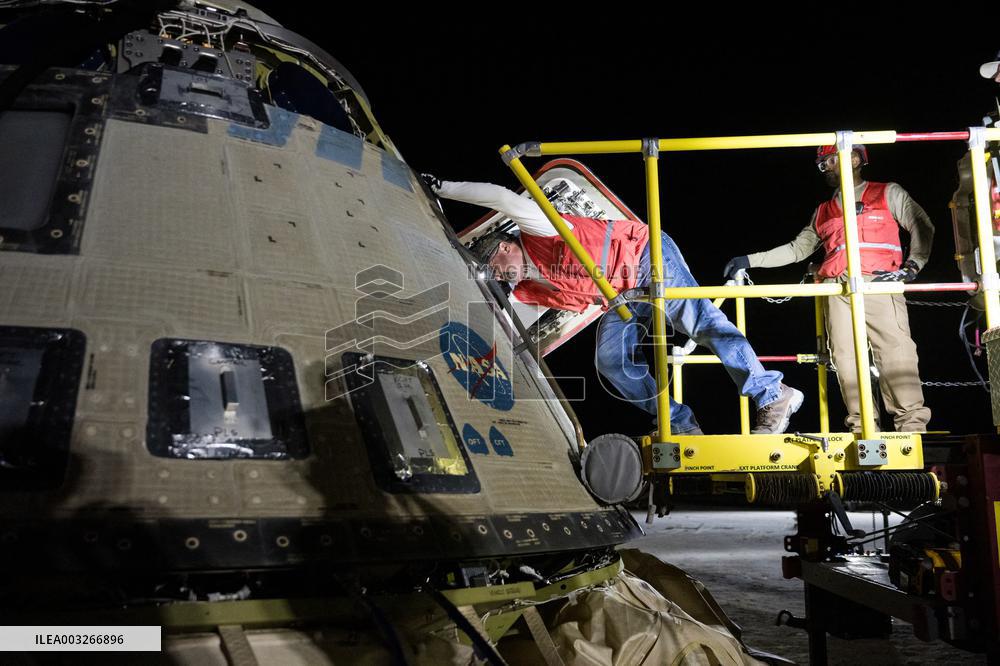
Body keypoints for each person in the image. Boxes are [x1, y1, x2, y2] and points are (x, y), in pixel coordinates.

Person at [423, 175, 804, 435]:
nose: (501, 275)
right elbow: (500, 329)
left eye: (496, 267)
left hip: (645, 258)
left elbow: (503, 197)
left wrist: (443, 187)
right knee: (611, 361)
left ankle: (772, 393)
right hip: (622, 296)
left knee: (700, 322)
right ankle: (680, 423)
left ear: (505, 246)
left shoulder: (538, 231)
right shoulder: (525, 290)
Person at [723, 145, 933, 432]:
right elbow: (798, 249)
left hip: (877, 285)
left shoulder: (887, 192)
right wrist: (749, 260)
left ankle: (911, 427)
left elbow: (922, 225)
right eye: (823, 164)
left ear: (856, 159)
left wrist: (912, 266)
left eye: (831, 160)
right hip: (836, 290)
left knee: (896, 353)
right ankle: (863, 428)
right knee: (845, 358)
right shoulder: (823, 210)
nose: (826, 168)